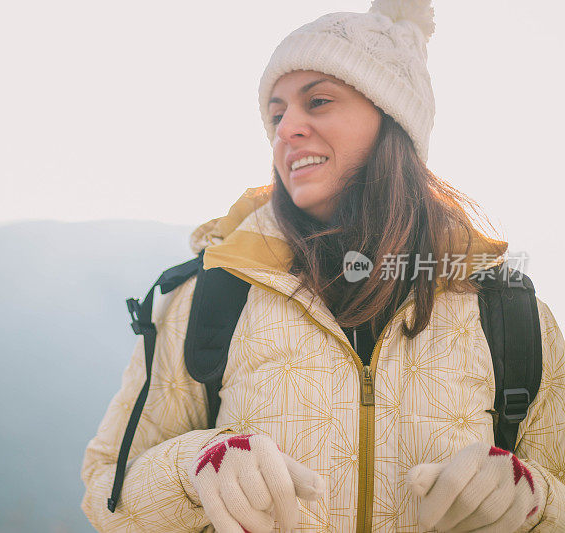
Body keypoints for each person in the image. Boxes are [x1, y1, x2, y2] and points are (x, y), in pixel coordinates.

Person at [80, 1, 565, 531]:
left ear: (392, 118)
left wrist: (533, 499)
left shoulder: (510, 312)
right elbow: (107, 493)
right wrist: (194, 471)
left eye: (318, 101)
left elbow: (557, 488)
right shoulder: (208, 294)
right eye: (276, 113)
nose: (287, 129)